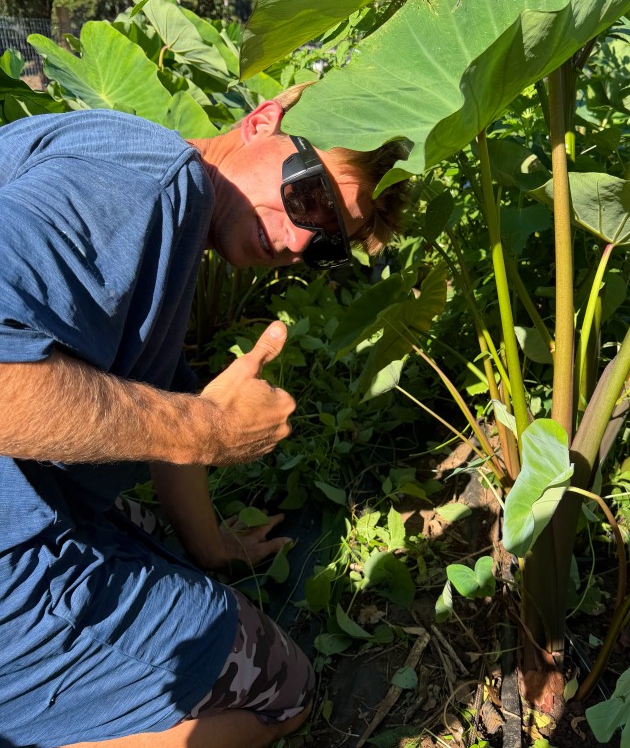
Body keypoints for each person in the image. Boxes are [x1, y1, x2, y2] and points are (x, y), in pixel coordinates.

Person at [0, 83, 407, 748]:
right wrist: (211, 430)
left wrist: (213, 546)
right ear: (262, 121)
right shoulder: (151, 188)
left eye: (331, 242)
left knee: (154, 546)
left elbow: (154, 410)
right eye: (310, 199)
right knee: (282, 690)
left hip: (30, 495)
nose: (301, 241)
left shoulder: (125, 158)